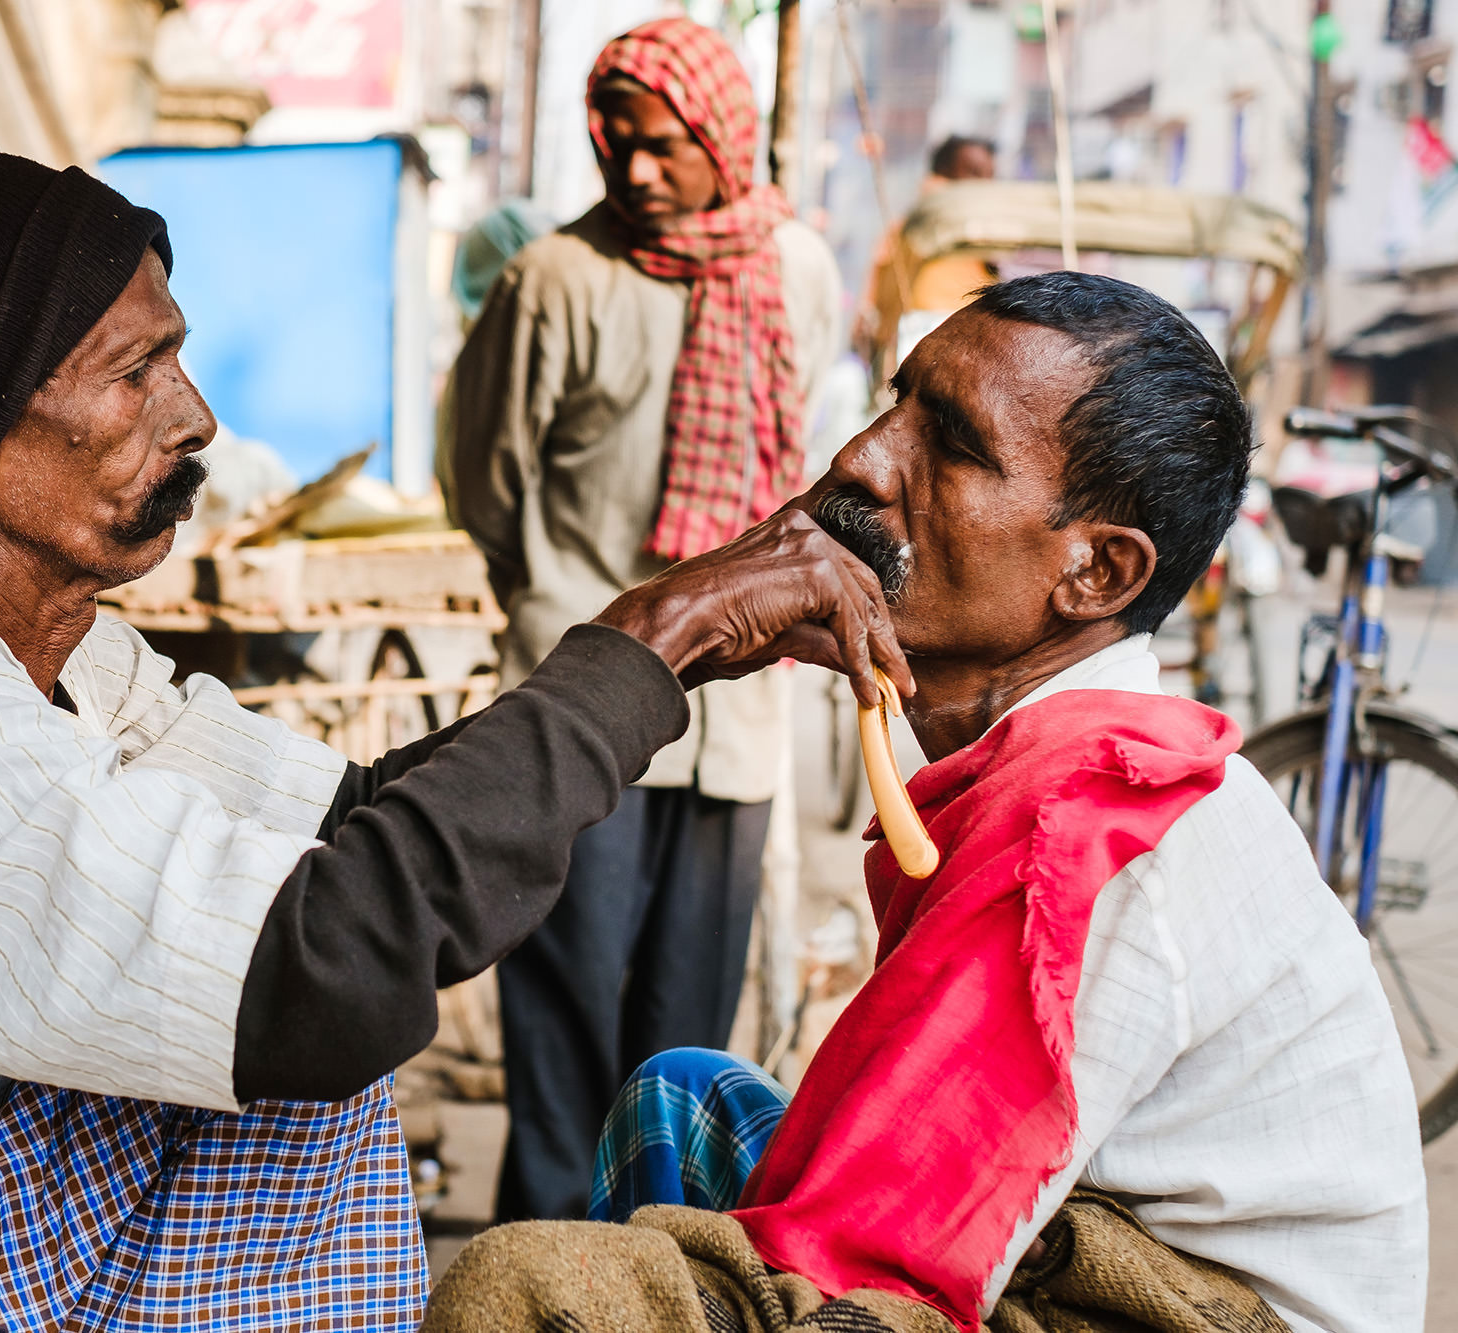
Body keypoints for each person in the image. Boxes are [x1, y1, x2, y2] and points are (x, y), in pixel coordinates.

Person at [0, 135, 910, 1333]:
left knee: (311, 945)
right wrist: (645, 645)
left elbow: (353, 817)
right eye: (137, 375)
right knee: (297, 1012)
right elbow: (329, 960)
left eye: (176, 356)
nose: (195, 417)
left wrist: (678, 650)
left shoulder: (71, 665)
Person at [428, 272, 1427, 1333]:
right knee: (680, 1095)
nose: (860, 456)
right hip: (1086, 1254)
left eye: (946, 443)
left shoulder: (1076, 825)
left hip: (1184, 1310)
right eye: (894, 402)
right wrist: (682, 629)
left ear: (1095, 572)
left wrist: (660, 627)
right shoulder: (1057, 760)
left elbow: (855, 1261)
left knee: (527, 1287)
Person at [439, 17, 844, 1223]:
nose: (634, 168)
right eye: (610, 143)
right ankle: (543, 1272)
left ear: (721, 140)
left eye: (660, 144)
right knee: (561, 1024)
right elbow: (485, 482)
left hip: (737, 717)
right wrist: (571, 611)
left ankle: (665, 1268)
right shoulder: (555, 280)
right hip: (582, 705)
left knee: (685, 1036)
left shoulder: (799, 274)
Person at [855, 133, 998, 378]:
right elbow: (875, 299)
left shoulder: (988, 234)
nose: (983, 185)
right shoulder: (911, 230)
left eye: (988, 176)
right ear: (942, 174)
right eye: (974, 173)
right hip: (917, 354)